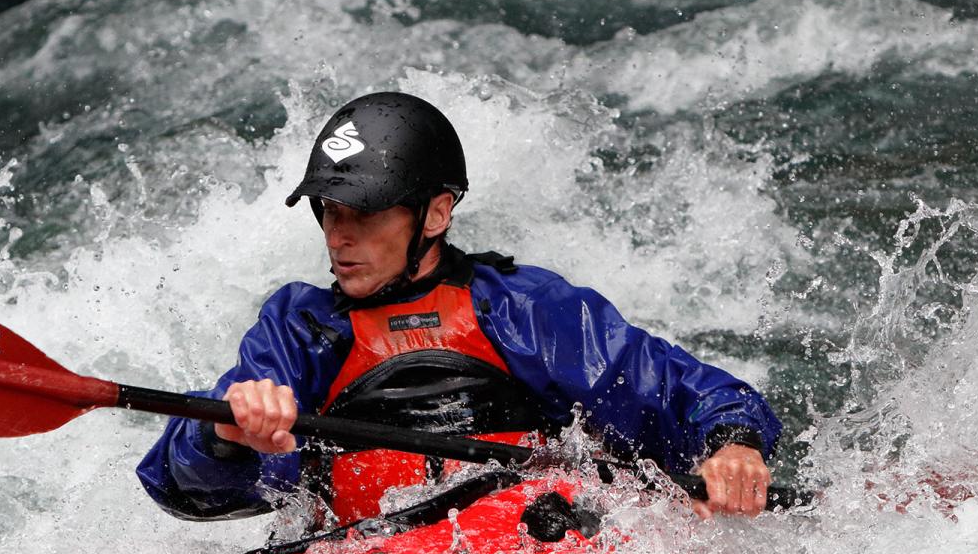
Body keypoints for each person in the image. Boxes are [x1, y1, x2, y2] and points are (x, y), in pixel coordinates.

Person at [138, 92, 781, 525]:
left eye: (364, 212)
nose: (339, 234)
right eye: (330, 211)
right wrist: (222, 434)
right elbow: (190, 488)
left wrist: (733, 446)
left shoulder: (525, 308)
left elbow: (677, 390)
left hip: (527, 540)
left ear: (436, 213)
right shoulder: (301, 331)